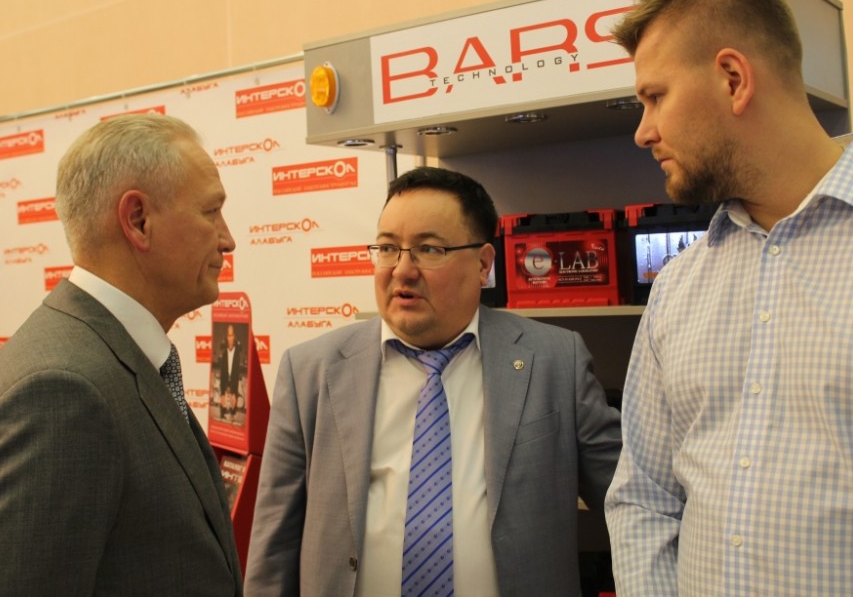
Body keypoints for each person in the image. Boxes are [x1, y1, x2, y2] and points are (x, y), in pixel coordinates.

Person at [603, 0, 853, 596]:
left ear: (733, 78)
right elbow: (644, 497)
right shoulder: (677, 286)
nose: (643, 131)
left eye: (655, 96)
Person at [244, 166, 621, 596]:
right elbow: (273, 550)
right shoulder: (311, 370)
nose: (402, 270)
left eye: (428, 249)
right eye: (388, 248)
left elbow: (632, 498)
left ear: (483, 265)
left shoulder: (554, 361)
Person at [0, 113, 243, 595]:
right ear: (138, 220)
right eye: (211, 212)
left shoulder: (103, 363)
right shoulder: (59, 394)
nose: (227, 239)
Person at [215, 323, 246, 421]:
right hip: (225, 376)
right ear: (226, 337)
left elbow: (237, 368)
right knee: (223, 395)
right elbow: (222, 368)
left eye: (232, 336)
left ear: (234, 337)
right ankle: (222, 413)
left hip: (233, 377)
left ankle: (232, 413)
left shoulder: (237, 352)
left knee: (233, 396)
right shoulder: (224, 353)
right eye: (228, 336)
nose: (230, 339)